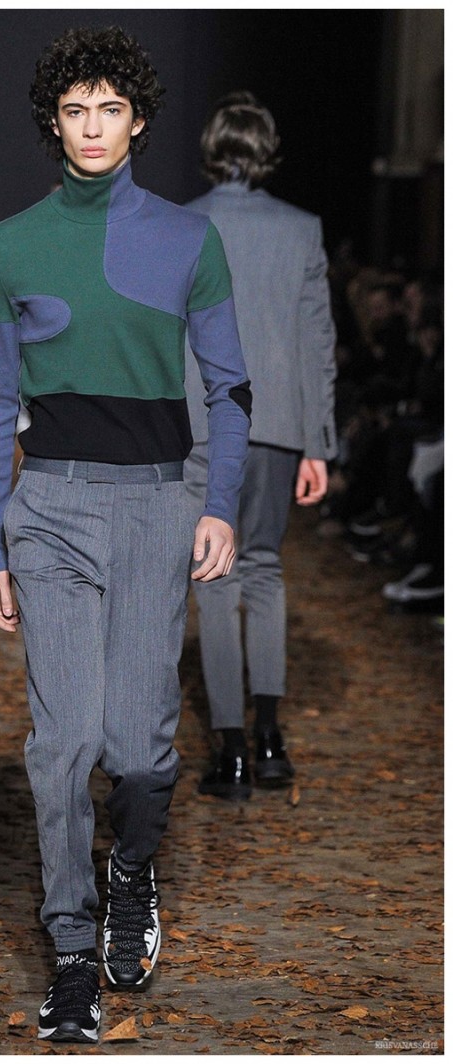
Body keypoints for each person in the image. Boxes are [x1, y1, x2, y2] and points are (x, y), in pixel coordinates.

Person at [0, 27, 251, 1044]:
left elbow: (229, 386)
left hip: (153, 507)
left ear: (137, 121)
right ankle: (71, 953)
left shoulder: (187, 240)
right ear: (54, 122)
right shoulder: (7, 245)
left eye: (110, 109)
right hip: (49, 508)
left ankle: (131, 869)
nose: (92, 127)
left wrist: (218, 502)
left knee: (139, 751)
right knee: (61, 745)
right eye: (75, 109)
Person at [183, 92, 337, 801]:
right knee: (265, 569)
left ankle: (232, 752)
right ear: (267, 149)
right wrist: (318, 443)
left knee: (215, 579)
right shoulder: (301, 229)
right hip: (276, 423)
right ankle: (271, 739)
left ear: (212, 148)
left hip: (202, 422)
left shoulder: (184, 225)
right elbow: (315, 343)